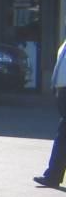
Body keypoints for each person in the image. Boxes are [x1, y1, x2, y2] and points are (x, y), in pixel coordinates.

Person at [33, 37, 66, 188]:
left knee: (63, 135)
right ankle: (53, 176)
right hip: (62, 91)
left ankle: (53, 176)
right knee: (63, 135)